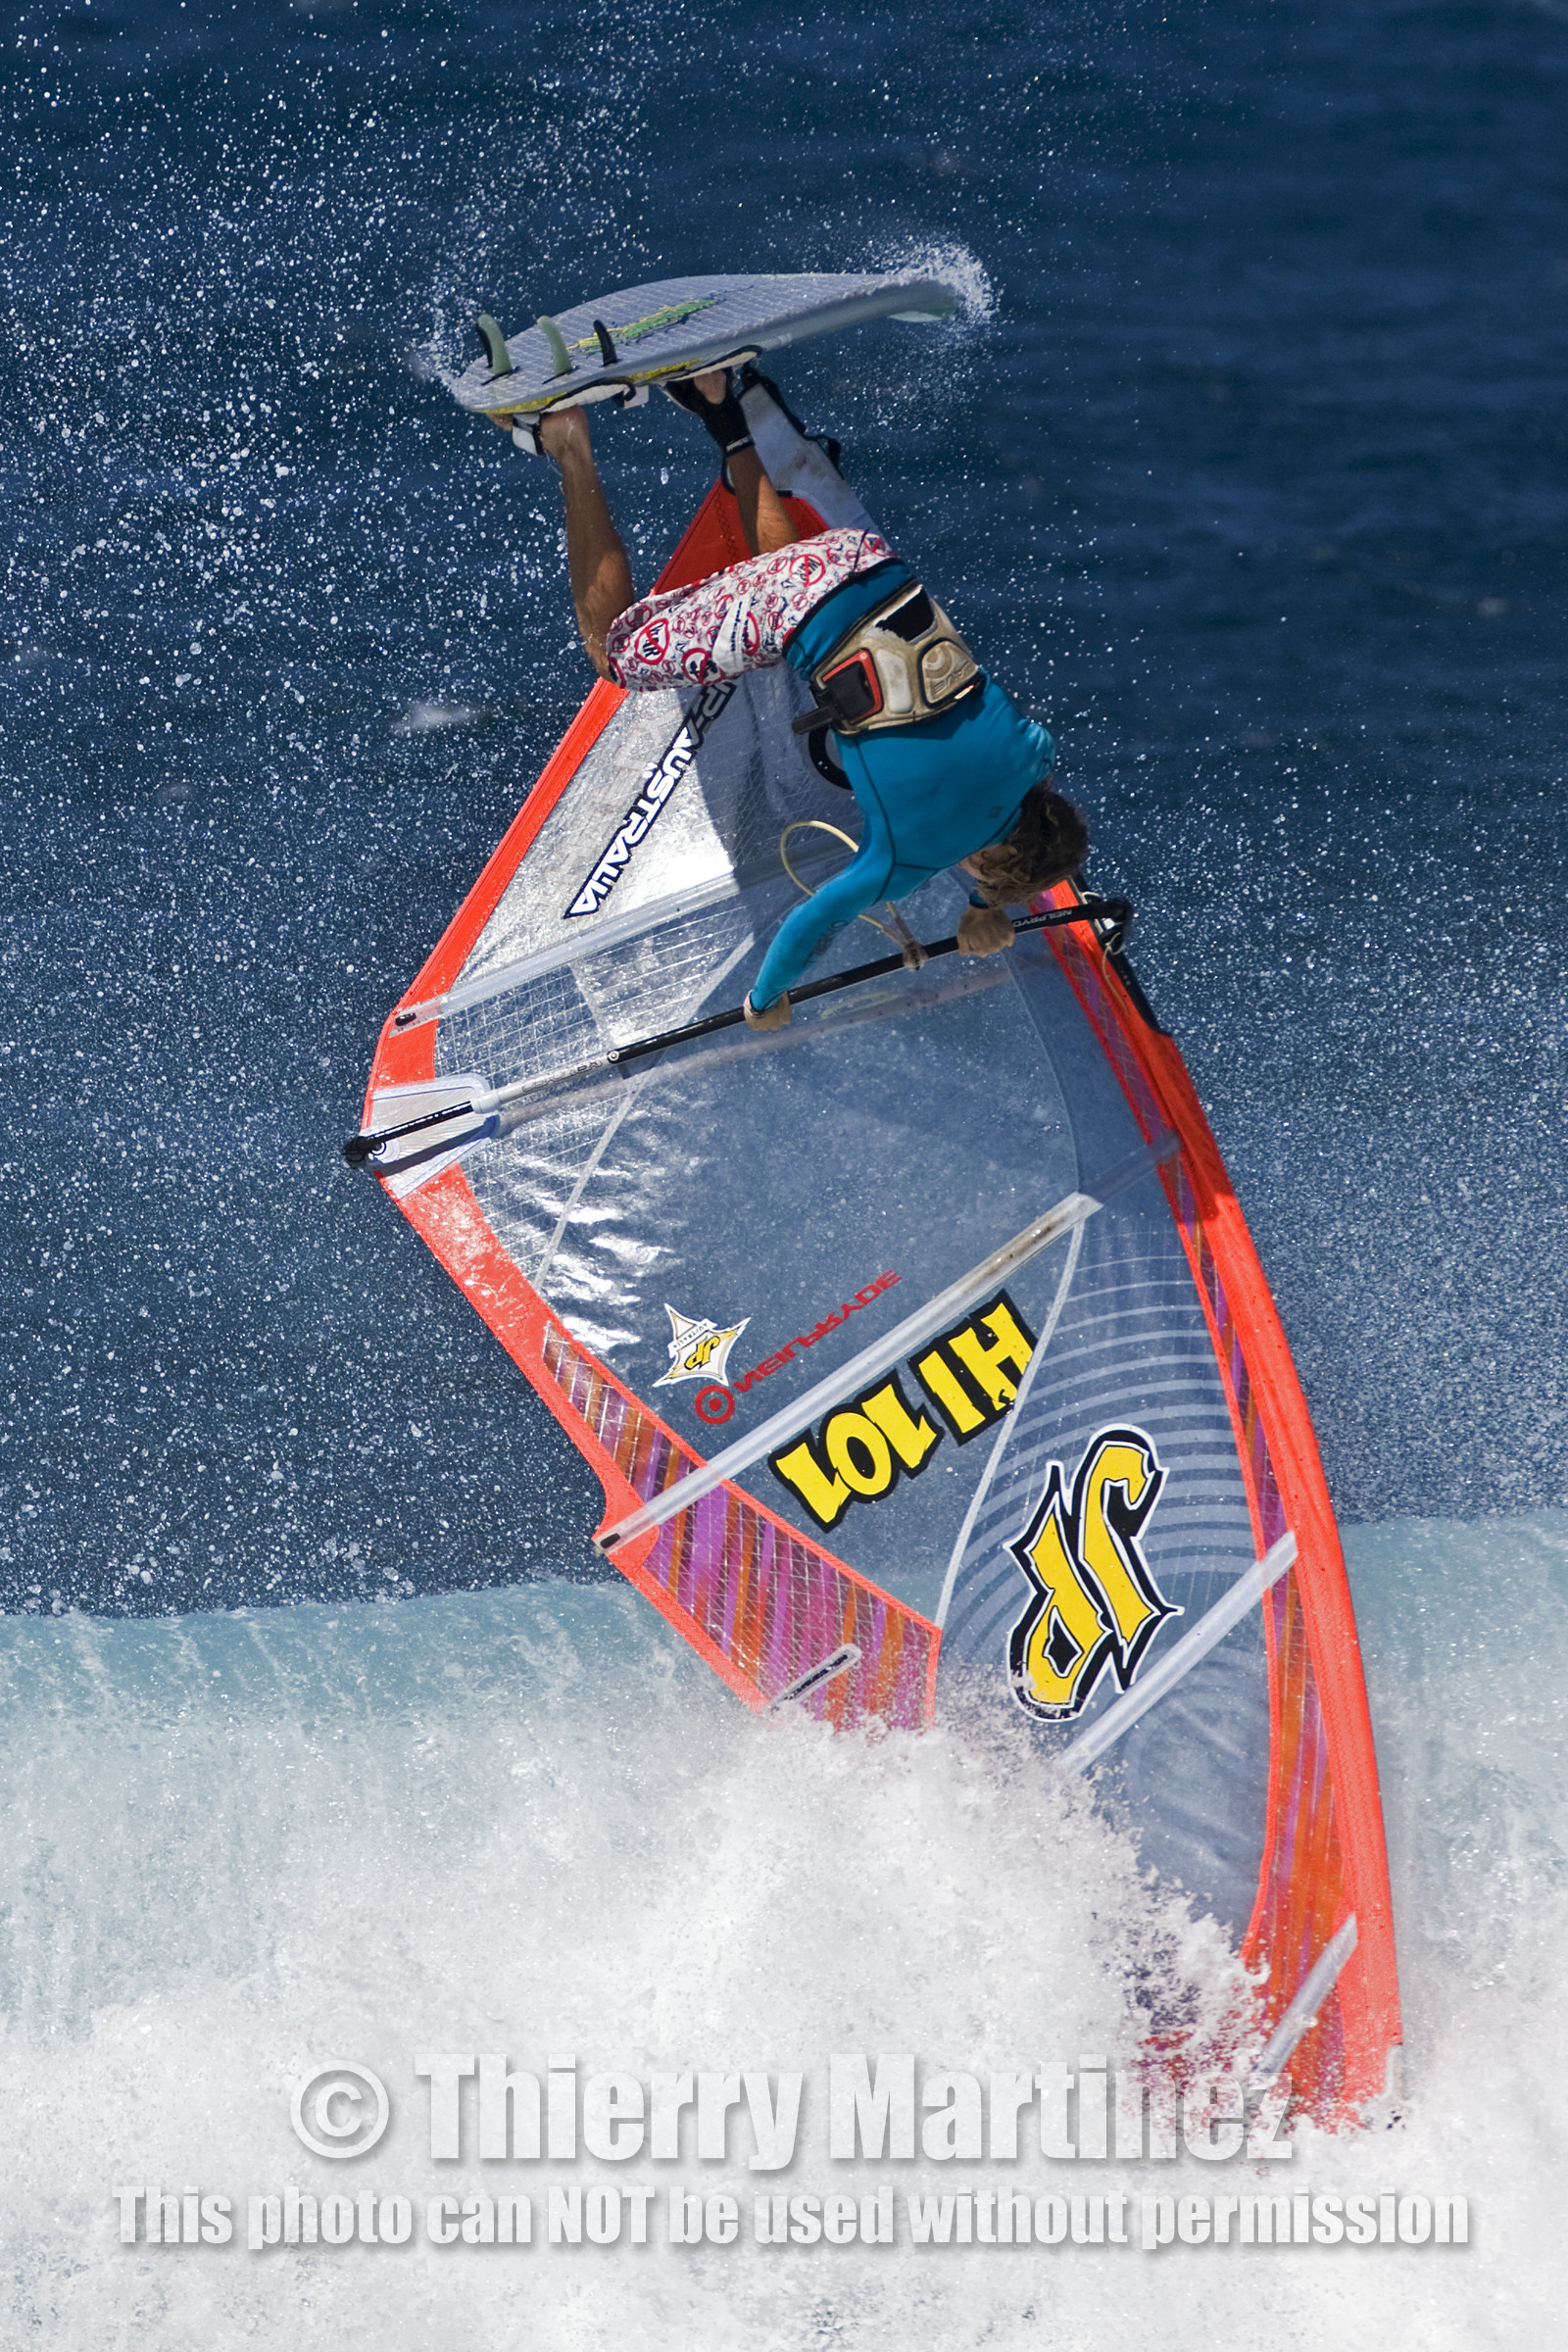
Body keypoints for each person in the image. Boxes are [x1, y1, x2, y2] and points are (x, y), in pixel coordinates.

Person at [498, 369, 1088, 1029]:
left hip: (863, 562)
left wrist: (990, 899)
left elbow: (995, 816)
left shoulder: (1033, 756)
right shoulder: (906, 856)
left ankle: (724, 410)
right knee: (617, 652)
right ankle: (568, 439)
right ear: (988, 862)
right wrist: (765, 999)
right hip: (800, 603)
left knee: (791, 603)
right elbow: (811, 922)